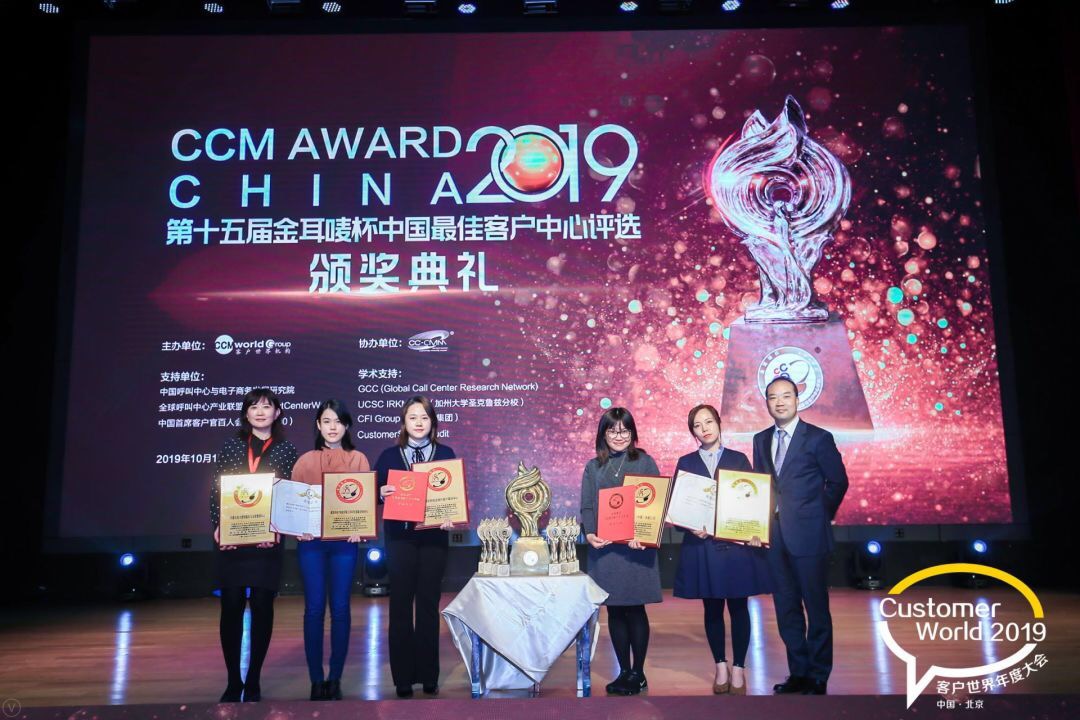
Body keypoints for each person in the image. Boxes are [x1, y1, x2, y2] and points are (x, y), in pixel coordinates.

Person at [753, 376, 849, 696]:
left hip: (809, 535)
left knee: (816, 607)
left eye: (786, 396)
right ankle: (798, 672)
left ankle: (818, 675)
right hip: (773, 536)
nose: (779, 402)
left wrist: (819, 515)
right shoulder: (760, 439)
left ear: (797, 399)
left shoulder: (819, 438)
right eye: (773, 397)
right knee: (786, 607)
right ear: (767, 403)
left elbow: (838, 482)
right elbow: (761, 487)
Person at [672, 404, 772, 695]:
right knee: (712, 608)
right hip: (702, 548)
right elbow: (678, 507)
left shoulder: (738, 459)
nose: (704, 428)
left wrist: (756, 530)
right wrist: (689, 525)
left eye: (709, 422)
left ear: (719, 423)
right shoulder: (686, 462)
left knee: (739, 607)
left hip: (735, 549)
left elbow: (752, 501)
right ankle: (720, 665)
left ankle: (739, 667)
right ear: (692, 432)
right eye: (697, 425)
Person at [210, 388, 299, 703]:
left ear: (277, 413)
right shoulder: (231, 446)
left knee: (262, 606)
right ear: (245, 413)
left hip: (267, 541)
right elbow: (218, 488)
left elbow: (288, 494)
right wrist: (219, 526)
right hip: (233, 540)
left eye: (267, 406)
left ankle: (254, 679)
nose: (260, 412)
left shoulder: (287, 450)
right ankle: (233, 681)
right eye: (254, 407)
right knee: (231, 605)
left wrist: (276, 529)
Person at [373, 395, 457, 698]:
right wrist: (381, 493)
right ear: (403, 422)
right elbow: (373, 493)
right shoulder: (388, 456)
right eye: (413, 417)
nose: (419, 423)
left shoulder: (445, 454)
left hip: (434, 540)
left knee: (428, 606)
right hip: (400, 540)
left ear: (432, 422)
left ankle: (429, 675)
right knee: (399, 606)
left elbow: (453, 494)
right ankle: (403, 678)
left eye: (424, 417)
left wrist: (451, 515)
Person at [579, 407, 662, 696]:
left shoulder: (645, 462)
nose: (619, 436)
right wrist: (590, 533)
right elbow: (587, 505)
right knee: (614, 610)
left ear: (632, 433)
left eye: (624, 430)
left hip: (635, 551)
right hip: (606, 551)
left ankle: (638, 673)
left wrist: (644, 535)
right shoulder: (593, 467)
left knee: (635, 609)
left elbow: (654, 505)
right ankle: (624, 671)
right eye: (612, 430)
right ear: (603, 434)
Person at [291, 400, 370, 701]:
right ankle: (315, 679)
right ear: (318, 425)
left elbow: (363, 503)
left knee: (340, 609)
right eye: (326, 421)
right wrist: (298, 527)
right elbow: (294, 506)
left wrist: (360, 526)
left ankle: (335, 677)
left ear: (346, 425)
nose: (332, 427)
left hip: (344, 545)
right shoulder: (304, 461)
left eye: (338, 421)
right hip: (311, 544)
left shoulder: (358, 459)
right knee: (313, 609)